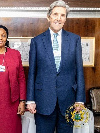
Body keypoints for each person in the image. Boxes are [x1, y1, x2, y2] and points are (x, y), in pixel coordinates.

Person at [26, 1, 86, 133]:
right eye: (55, 14)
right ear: (48, 17)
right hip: (43, 100)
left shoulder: (75, 40)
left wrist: (80, 100)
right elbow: (32, 73)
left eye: (62, 15)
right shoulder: (36, 41)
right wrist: (30, 99)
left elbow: (79, 71)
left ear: (65, 18)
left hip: (68, 100)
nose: (59, 18)